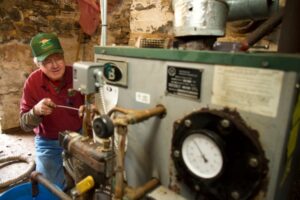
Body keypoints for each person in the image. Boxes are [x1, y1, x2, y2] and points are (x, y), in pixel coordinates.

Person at [19, 33, 84, 189]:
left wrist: (89, 110)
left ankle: (70, 172)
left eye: (57, 58)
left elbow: (98, 100)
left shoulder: (77, 74)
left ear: (63, 57)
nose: (55, 65)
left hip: (77, 136)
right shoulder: (33, 82)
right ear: (38, 64)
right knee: (49, 188)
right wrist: (36, 111)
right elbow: (24, 125)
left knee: (90, 180)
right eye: (47, 61)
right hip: (48, 142)